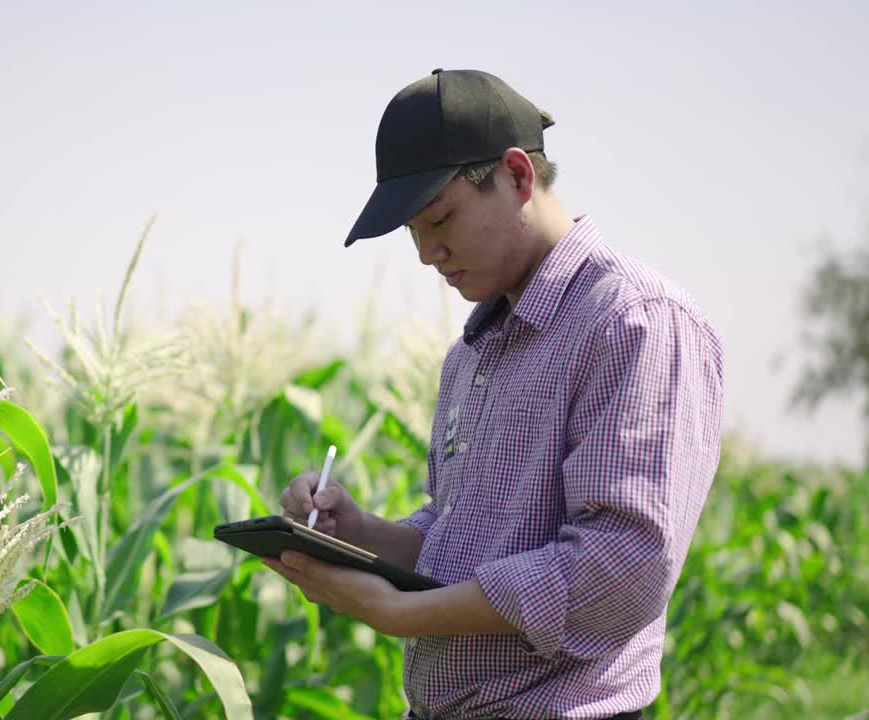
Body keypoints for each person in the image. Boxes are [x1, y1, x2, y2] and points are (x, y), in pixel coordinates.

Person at [262, 68, 724, 720]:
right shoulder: (473, 353)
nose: (427, 253)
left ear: (517, 175)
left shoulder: (634, 322)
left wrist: (405, 614)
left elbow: (621, 566)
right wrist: (359, 532)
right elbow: (464, 540)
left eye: (440, 217)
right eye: (413, 233)